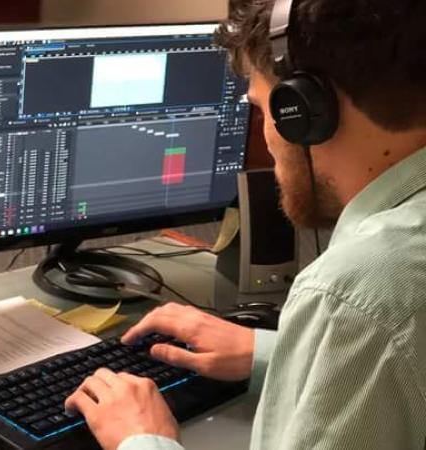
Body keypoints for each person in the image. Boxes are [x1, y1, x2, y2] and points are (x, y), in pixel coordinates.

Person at [65, 0, 426, 449]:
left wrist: (142, 437)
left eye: (262, 109)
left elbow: (380, 327)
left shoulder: (355, 296)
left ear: (303, 110)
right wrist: (270, 353)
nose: (268, 137)